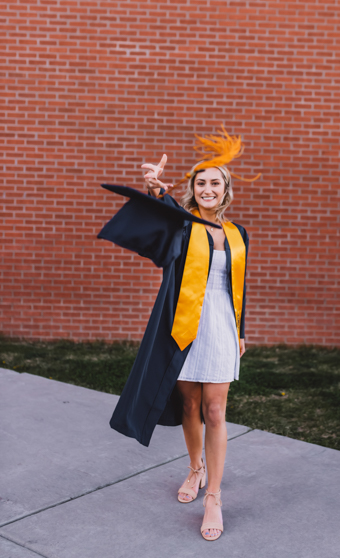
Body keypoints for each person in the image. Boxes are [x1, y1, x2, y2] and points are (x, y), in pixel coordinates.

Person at [98, 152, 249, 542]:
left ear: (225, 190)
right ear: (193, 190)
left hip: (221, 329)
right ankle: (196, 468)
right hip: (184, 326)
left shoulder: (238, 234)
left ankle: (213, 497)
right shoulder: (183, 228)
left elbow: (239, 287)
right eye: (201, 183)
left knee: (215, 410)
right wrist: (155, 190)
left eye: (215, 182)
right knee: (190, 406)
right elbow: (163, 224)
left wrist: (241, 330)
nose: (208, 189)